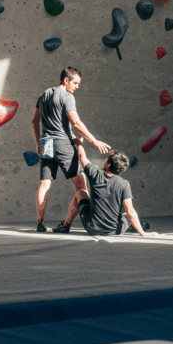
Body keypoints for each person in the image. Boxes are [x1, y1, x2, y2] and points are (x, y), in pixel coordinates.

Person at [31, 67, 110, 233]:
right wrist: (94, 141)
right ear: (66, 80)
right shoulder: (67, 96)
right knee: (81, 185)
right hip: (62, 143)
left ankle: (40, 223)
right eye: (75, 83)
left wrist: (38, 143)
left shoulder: (44, 94)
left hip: (46, 143)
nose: (77, 87)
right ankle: (88, 222)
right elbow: (75, 123)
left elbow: (34, 121)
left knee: (44, 185)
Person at [71, 137, 157, 237]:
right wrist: (143, 233)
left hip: (93, 229)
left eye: (107, 158)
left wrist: (79, 144)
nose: (105, 159)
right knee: (126, 215)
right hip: (115, 230)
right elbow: (130, 210)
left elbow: (82, 157)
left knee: (80, 192)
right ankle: (137, 227)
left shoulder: (95, 173)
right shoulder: (124, 183)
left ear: (109, 164)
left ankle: (65, 225)